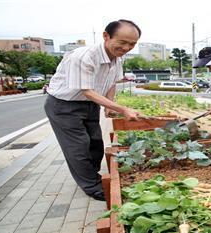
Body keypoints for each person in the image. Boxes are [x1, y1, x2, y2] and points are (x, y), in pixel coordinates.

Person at [44, 19, 143, 201]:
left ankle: (90, 175)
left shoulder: (117, 58)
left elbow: (112, 81)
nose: (127, 48)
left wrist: (109, 106)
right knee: (78, 147)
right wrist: (122, 109)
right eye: (122, 42)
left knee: (95, 143)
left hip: (89, 104)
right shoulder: (83, 56)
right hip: (64, 106)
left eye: (132, 44)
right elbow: (87, 90)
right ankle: (92, 186)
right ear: (106, 36)